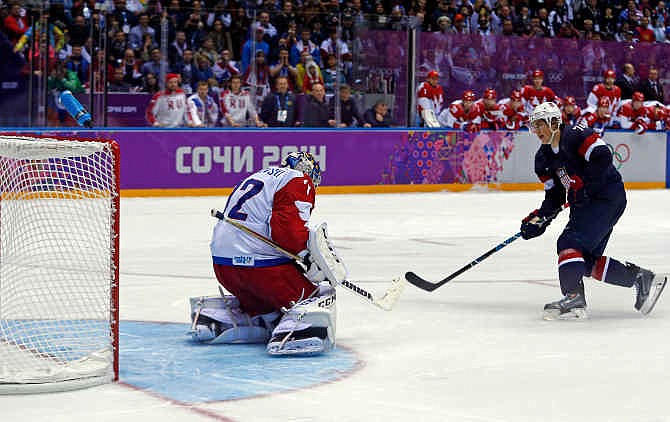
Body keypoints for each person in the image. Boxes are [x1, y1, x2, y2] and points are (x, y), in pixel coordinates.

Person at [520, 102, 666, 320]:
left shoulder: (575, 135)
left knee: (568, 243)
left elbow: (603, 156)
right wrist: (540, 218)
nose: (538, 131)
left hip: (606, 197)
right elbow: (556, 197)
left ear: (554, 122)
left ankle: (573, 296)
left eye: (541, 124)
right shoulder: (543, 159)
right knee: (583, 261)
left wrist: (584, 182)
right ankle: (640, 279)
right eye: (535, 126)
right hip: (584, 204)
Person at [193, 151, 344, 356]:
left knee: (267, 303)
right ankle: (296, 331)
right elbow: (285, 231)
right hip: (261, 271)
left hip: (224, 268)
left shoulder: (259, 176)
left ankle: (246, 317)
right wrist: (307, 257)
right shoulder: (299, 179)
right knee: (320, 294)